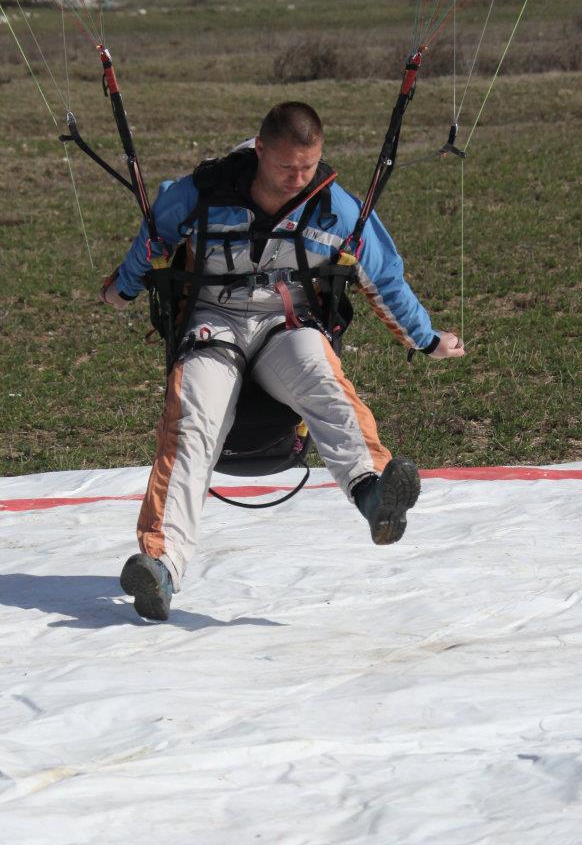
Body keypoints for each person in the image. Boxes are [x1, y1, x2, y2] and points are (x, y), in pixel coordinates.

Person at [101, 102, 464, 621]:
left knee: (325, 384)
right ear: (260, 151)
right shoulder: (199, 195)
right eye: (286, 166)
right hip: (214, 322)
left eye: (308, 166)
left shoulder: (335, 209)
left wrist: (426, 339)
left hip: (287, 324)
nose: (298, 178)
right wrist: (121, 289)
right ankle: (161, 564)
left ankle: (374, 493)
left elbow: (383, 276)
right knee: (192, 419)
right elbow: (150, 242)